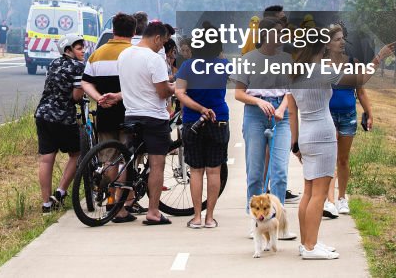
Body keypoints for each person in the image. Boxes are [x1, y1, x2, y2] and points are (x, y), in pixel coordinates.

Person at [288, 25, 395, 259]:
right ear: (324, 45)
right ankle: (310, 247)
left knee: (308, 191)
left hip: (306, 134)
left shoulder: (295, 71)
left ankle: (307, 242)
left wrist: (294, 143)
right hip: (323, 134)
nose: (340, 43)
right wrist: (379, 58)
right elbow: (361, 78)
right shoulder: (323, 70)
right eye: (336, 40)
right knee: (319, 193)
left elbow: (292, 111)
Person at [233, 17, 297, 241]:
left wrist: (281, 108)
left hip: (281, 114)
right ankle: (256, 223)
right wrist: (258, 102)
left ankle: (278, 223)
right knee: (255, 173)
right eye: (278, 32)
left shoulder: (288, 59)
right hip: (255, 114)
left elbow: (292, 90)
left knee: (279, 170)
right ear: (265, 34)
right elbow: (239, 93)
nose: (281, 37)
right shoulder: (249, 59)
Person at [114, 20, 174, 225]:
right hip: (154, 117)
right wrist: (174, 88)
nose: (163, 46)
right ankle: (153, 212)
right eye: (163, 42)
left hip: (130, 115)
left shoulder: (124, 55)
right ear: (157, 38)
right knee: (157, 164)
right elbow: (162, 91)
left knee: (127, 161)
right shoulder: (154, 59)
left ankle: (120, 209)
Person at [80, 12, 138, 221]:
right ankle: (122, 208)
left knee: (109, 159)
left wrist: (100, 98)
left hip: (105, 115)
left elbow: (85, 82)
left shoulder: (97, 54)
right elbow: (140, 86)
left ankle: (111, 199)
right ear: (134, 32)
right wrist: (119, 97)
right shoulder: (135, 53)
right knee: (126, 159)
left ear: (113, 30)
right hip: (130, 113)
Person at [174, 26, 230, 229]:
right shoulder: (224, 64)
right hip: (219, 120)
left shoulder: (187, 66)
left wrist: (200, 108)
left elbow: (180, 93)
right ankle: (210, 218)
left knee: (196, 171)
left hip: (193, 122)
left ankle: (197, 217)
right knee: (214, 172)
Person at [324, 26, 374, 218]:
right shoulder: (321, 64)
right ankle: (329, 201)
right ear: (328, 44)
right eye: (337, 39)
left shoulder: (353, 63)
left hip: (348, 115)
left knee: (343, 159)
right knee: (330, 157)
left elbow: (360, 91)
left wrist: (369, 112)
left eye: (343, 38)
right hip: (327, 115)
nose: (342, 42)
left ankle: (342, 197)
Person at [34, 33, 87, 213]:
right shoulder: (79, 67)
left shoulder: (53, 63)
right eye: (79, 48)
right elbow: (76, 96)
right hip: (63, 117)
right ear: (68, 50)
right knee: (77, 153)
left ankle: (46, 204)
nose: (83, 52)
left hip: (42, 114)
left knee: (47, 158)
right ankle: (60, 191)